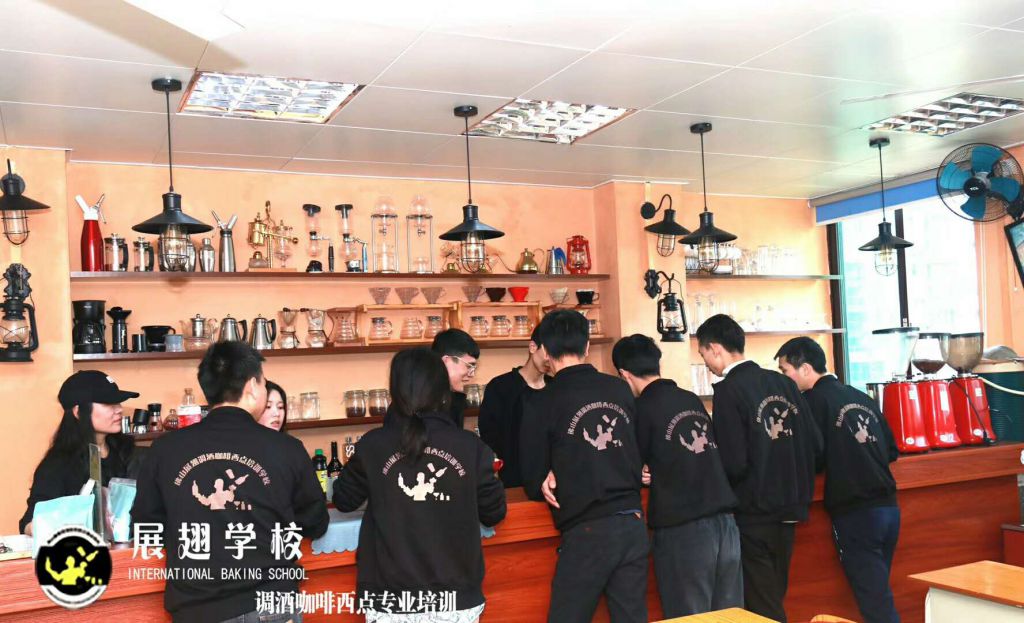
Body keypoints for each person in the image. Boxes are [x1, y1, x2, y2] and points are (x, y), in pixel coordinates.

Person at [132, 342, 329, 623]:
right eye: (263, 383)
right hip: (271, 603)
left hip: (197, 609)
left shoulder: (165, 449)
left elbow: (145, 526)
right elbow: (315, 521)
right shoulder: (287, 448)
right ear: (252, 386)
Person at [332, 348, 506, 622]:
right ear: (443, 391)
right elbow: (494, 512)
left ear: (395, 391)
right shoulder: (470, 446)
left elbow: (343, 499)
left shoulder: (374, 444)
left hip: (390, 600)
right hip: (456, 599)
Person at [520, 310, 648, 623]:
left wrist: (550, 473)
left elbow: (532, 479)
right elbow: (637, 448)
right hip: (633, 522)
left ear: (545, 351)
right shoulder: (619, 389)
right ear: (587, 346)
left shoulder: (542, 401)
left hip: (587, 529)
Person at [695, 314, 822, 623]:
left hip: (754, 511)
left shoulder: (729, 390)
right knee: (774, 593)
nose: (706, 363)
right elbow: (816, 445)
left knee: (761, 604)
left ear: (715, 349)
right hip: (791, 508)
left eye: (703, 354)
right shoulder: (784, 382)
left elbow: (734, 462)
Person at [612, 334, 742, 617]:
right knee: (730, 617)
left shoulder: (640, 410)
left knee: (689, 617)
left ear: (624, 374)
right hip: (726, 523)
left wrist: (644, 473)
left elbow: (630, 464)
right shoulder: (690, 398)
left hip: (684, 529)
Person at [776, 337, 900, 623]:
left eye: (785, 371)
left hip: (856, 512)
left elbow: (811, 457)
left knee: (876, 604)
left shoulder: (811, 402)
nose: (783, 379)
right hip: (889, 508)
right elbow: (891, 450)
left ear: (805, 369)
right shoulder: (859, 396)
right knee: (877, 594)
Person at [20, 370, 140, 535]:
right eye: (108, 404)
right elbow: (30, 523)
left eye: (118, 403)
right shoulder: (58, 464)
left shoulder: (129, 452)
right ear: (78, 412)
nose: (119, 409)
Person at [478, 325, 550, 487]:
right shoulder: (500, 387)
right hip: (513, 481)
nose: (550, 359)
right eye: (547, 352)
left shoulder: (556, 387)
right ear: (533, 347)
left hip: (552, 481)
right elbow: (489, 437)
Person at [431, 329, 480, 429]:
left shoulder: (454, 400)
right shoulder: (420, 401)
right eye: (469, 366)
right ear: (446, 361)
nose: (472, 374)